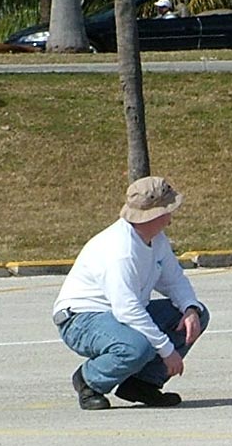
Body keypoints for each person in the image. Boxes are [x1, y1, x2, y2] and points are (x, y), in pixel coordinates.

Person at [53, 176, 210, 410]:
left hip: (121, 312)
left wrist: (190, 307)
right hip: (80, 320)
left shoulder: (156, 239)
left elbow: (174, 279)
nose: (172, 214)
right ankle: (89, 380)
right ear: (155, 214)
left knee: (197, 316)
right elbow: (127, 310)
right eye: (169, 208)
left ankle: (141, 384)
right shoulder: (121, 251)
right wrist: (167, 350)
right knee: (137, 346)